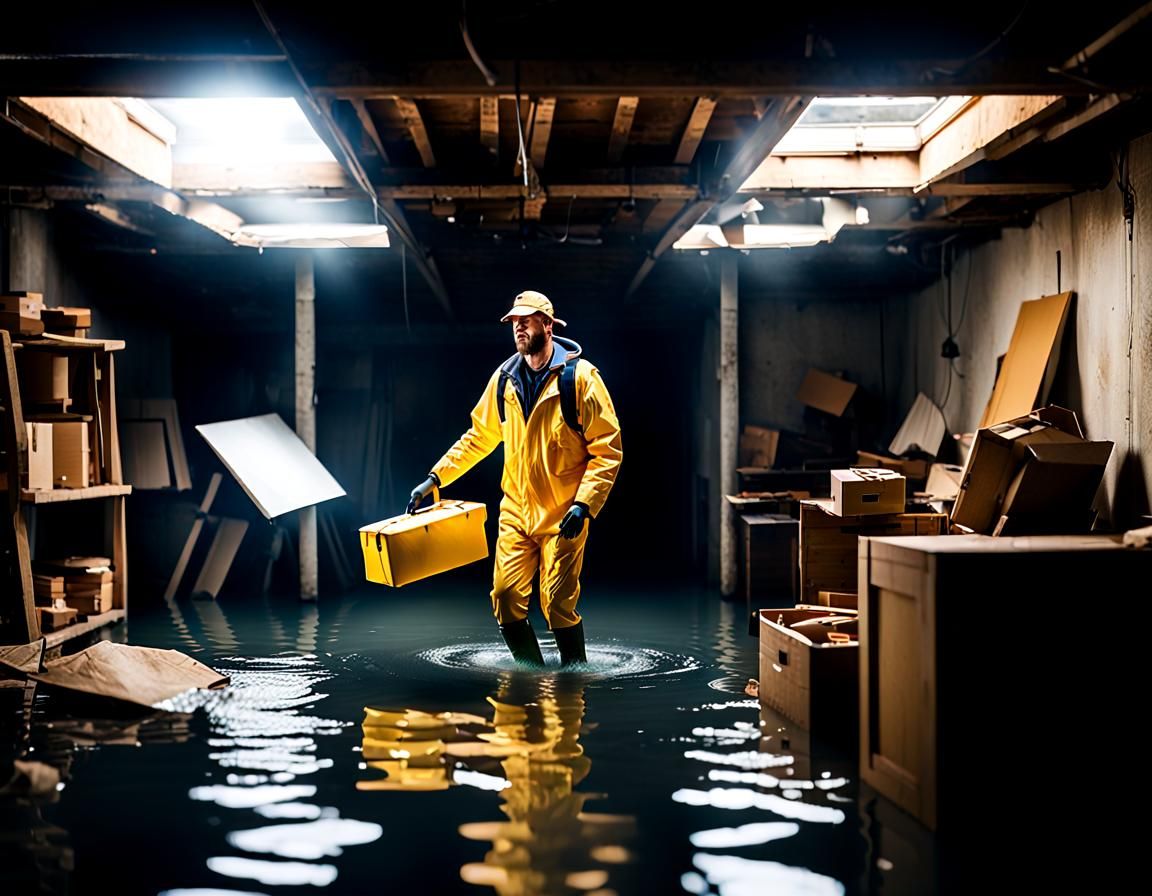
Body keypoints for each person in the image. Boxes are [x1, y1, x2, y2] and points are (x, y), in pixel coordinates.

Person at [406, 290, 622, 667]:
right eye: (513, 322)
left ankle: (574, 678)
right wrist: (435, 477)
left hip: (563, 514)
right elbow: (479, 437)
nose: (518, 326)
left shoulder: (581, 379)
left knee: (556, 603)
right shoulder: (504, 379)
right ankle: (532, 675)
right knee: (505, 599)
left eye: (527, 319)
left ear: (548, 325)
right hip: (517, 513)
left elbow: (607, 448)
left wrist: (584, 504)